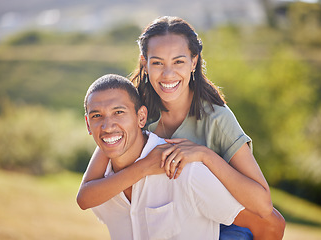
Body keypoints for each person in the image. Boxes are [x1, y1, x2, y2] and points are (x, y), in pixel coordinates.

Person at [77, 16, 285, 239]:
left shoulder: (217, 118)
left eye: (178, 62)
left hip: (227, 224)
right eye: (157, 62)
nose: (168, 74)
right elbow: (86, 194)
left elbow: (264, 207)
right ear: (144, 62)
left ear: (194, 62)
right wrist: (146, 166)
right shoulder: (132, 110)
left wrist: (204, 155)